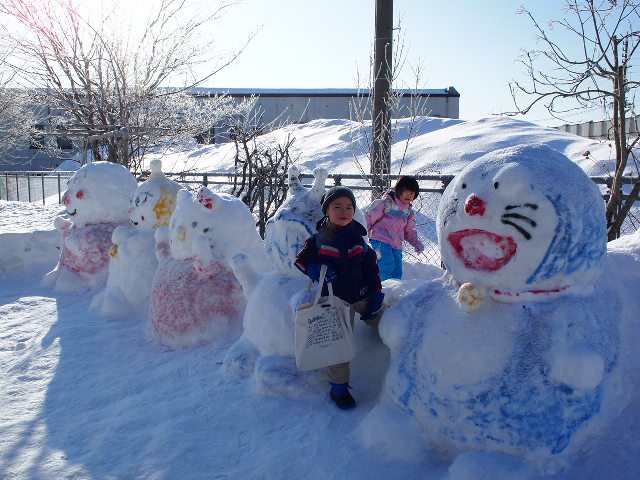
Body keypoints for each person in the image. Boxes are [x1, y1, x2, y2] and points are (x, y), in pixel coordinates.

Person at [295, 186, 384, 410]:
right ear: (326, 210)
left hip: (362, 295)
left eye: (349, 207)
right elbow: (300, 261)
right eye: (338, 207)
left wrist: (376, 293)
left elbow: (371, 269)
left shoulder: (359, 240)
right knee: (337, 345)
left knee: (388, 320)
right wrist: (314, 269)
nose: (344, 211)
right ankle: (339, 388)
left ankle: (398, 352)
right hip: (334, 302)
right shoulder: (317, 241)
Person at [365, 176, 424, 280]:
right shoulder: (385, 204)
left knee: (397, 271)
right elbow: (368, 218)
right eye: (406, 191)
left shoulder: (408, 212)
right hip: (380, 240)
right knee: (386, 266)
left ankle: (395, 293)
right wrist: (358, 231)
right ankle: (382, 291)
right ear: (399, 190)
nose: (408, 195)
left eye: (412, 193)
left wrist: (416, 243)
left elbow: (409, 231)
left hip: (396, 244)